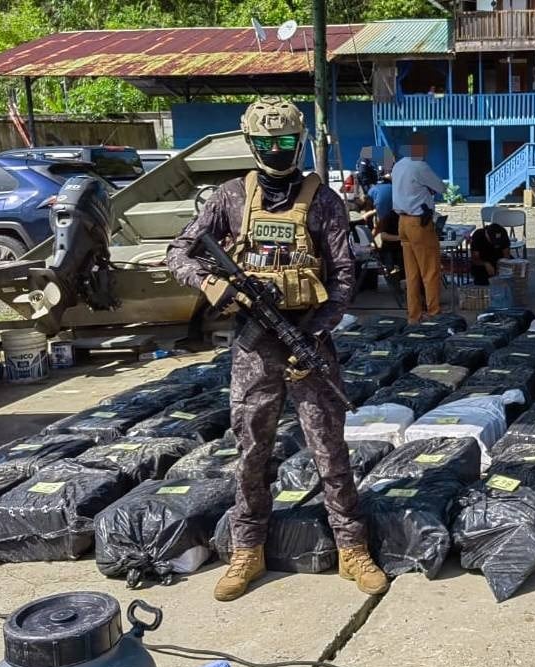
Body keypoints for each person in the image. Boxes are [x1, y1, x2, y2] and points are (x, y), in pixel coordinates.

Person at [165, 97, 388, 601]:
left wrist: (313, 331)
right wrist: (212, 286)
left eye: (285, 142)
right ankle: (249, 548)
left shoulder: (324, 200)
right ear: (250, 143)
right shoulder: (228, 197)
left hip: (308, 340)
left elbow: (346, 274)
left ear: (300, 141)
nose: (276, 150)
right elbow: (179, 252)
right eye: (266, 143)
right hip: (252, 346)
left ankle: (351, 547)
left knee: (330, 449)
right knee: (251, 452)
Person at [391, 132, 446, 323]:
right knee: (430, 271)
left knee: (411, 273)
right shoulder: (420, 166)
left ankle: (413, 315)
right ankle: (433, 313)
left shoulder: (399, 165)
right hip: (418, 222)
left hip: (403, 222)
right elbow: (441, 187)